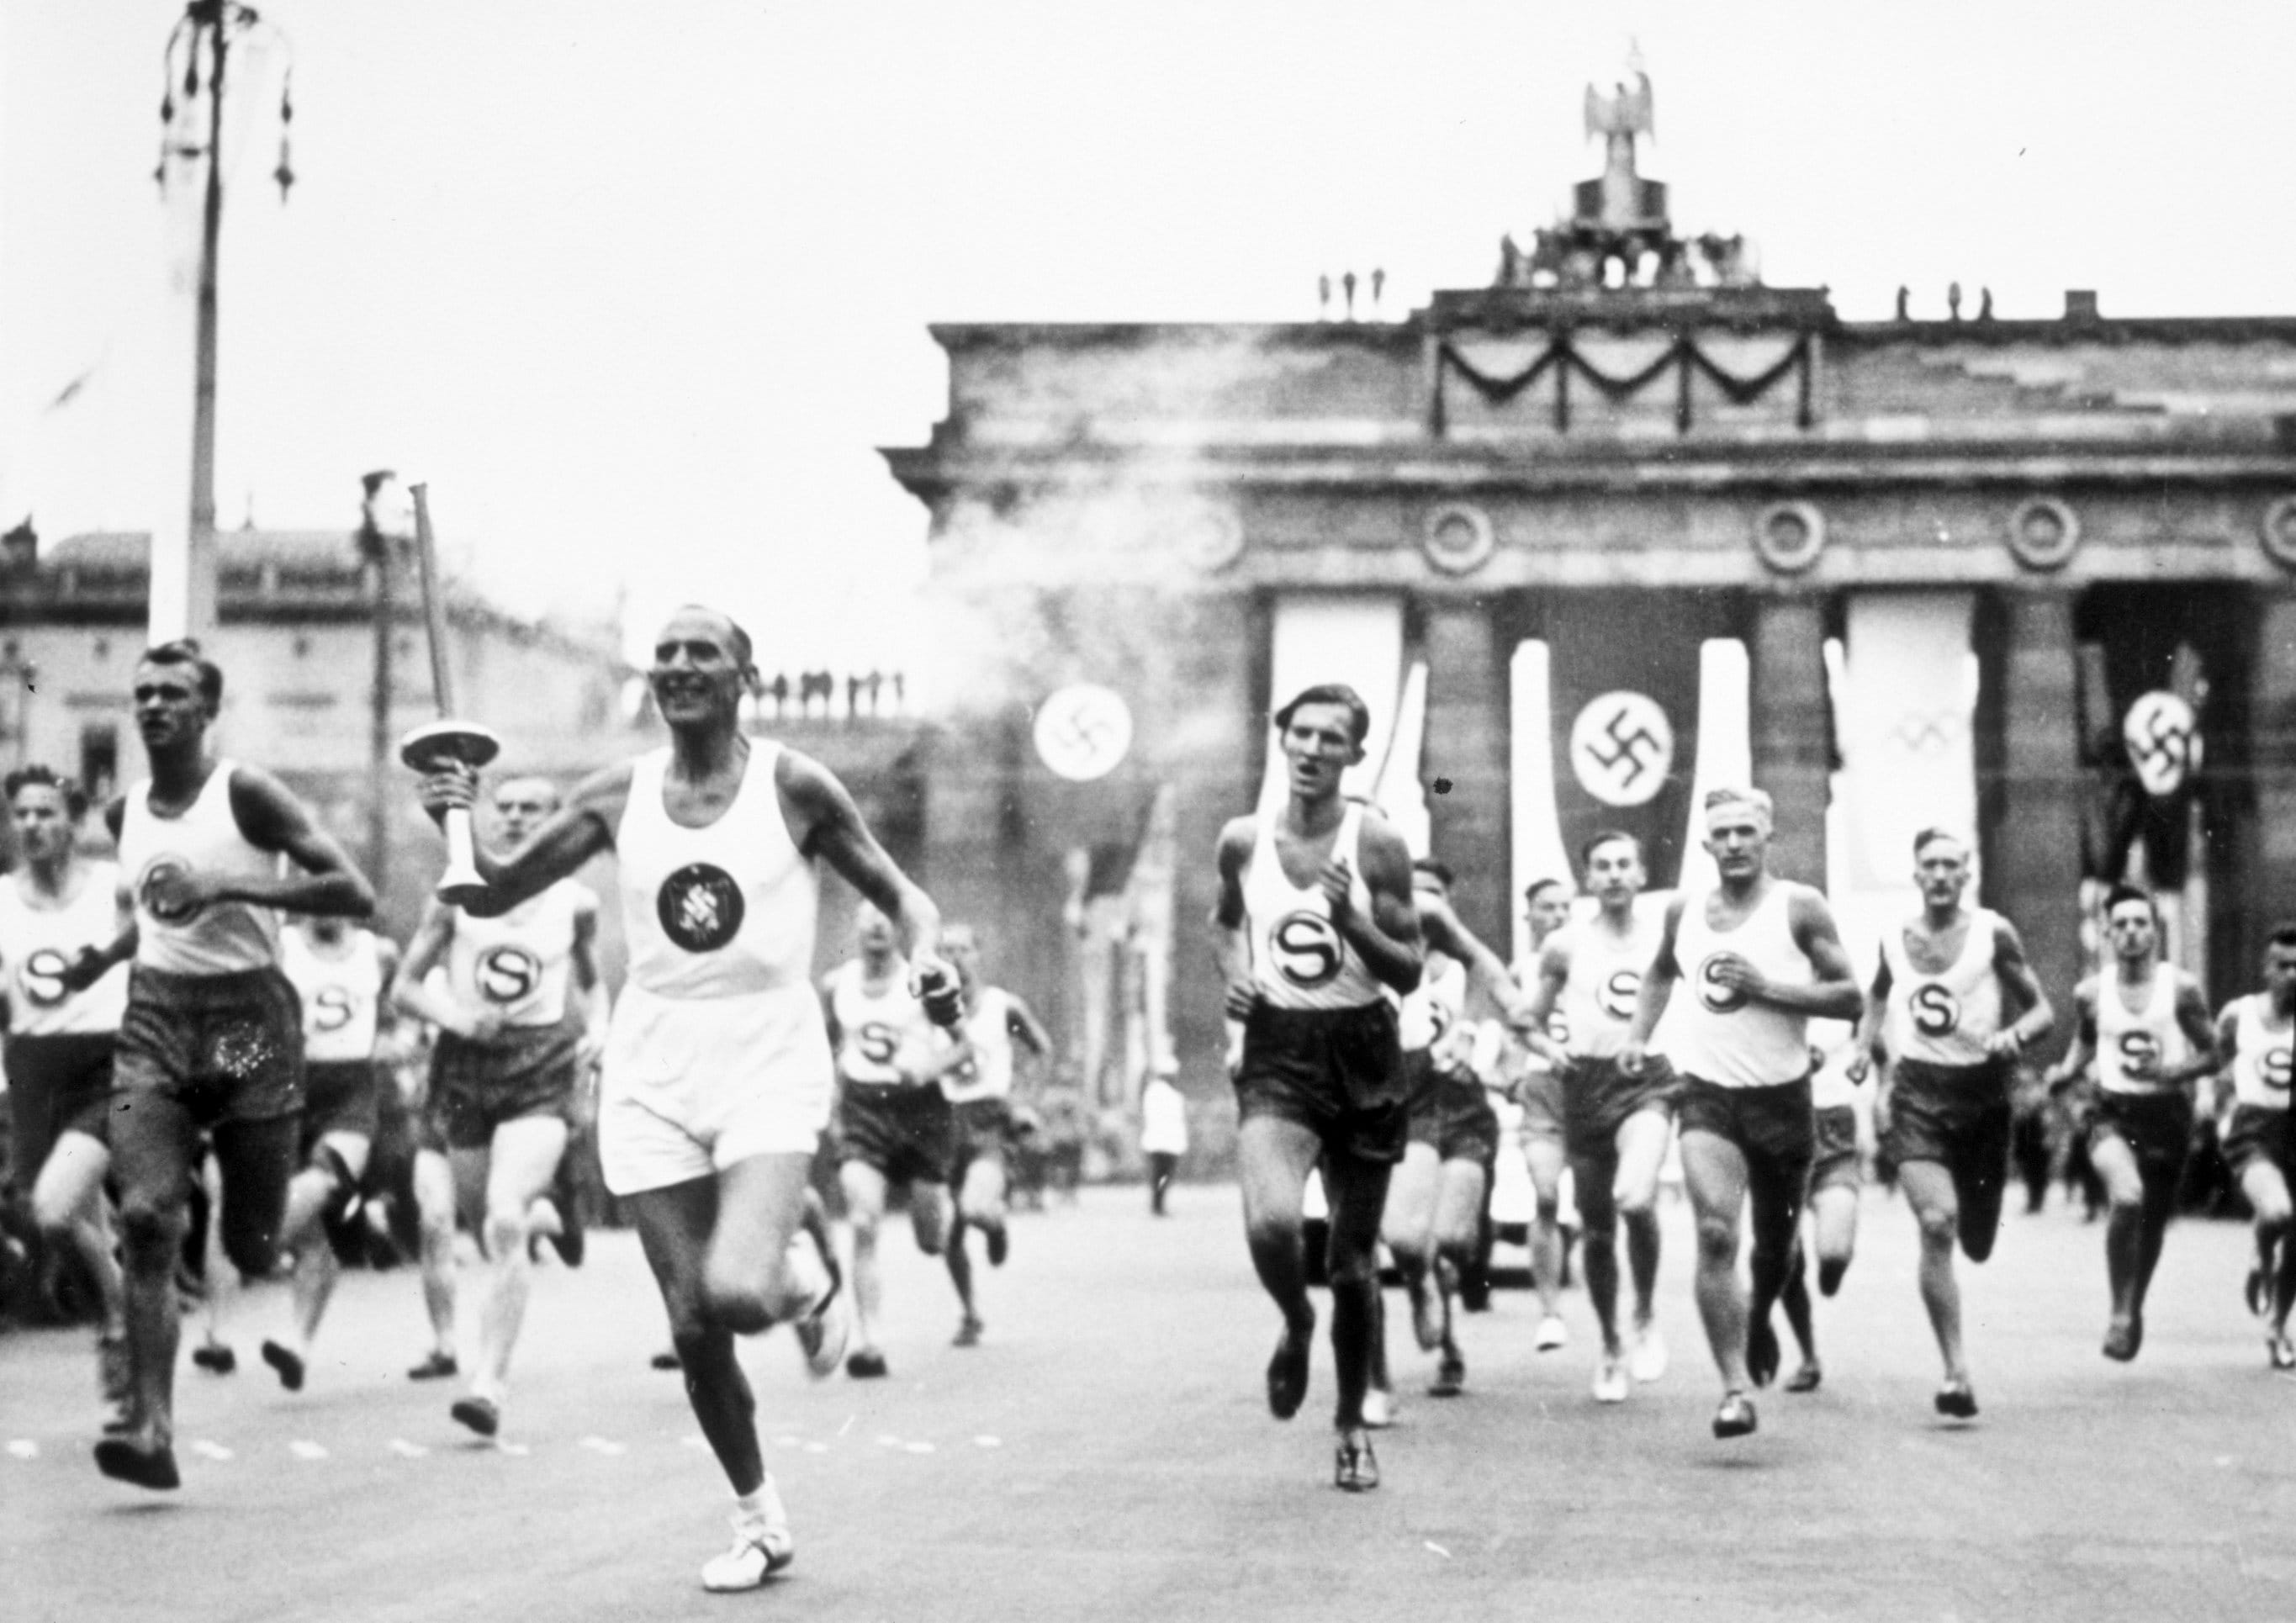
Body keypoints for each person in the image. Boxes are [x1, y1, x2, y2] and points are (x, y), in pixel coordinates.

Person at [415, 605, 956, 1590]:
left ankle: (802, 1283)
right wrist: (450, 813)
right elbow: (489, 891)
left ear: (744, 674)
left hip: (768, 1053)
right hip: (653, 1058)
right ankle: (759, 1518)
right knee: (694, 1322)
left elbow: (903, 896)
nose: (678, 665)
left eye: (701, 652)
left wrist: (930, 962)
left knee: (740, 1290)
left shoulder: (792, 784)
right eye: (665, 653)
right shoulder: (617, 794)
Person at [76, 640, 377, 1490]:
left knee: (247, 1243)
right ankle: (152, 1429)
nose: (154, 706)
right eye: (143, 693)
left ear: (207, 709)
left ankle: (304, 1212)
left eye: (173, 692)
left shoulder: (245, 792)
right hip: (159, 1022)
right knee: (144, 1216)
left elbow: (353, 892)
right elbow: (159, 917)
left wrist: (237, 889)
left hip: (250, 1031)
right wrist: (105, 959)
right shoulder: (122, 812)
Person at [1214, 684, 1422, 1493]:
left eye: (1330, 739)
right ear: (1281, 741)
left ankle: (1348, 1428)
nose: (1310, 750)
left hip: (1365, 1050)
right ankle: (1295, 1323)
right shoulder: (1242, 838)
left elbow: (1408, 968)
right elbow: (1224, 918)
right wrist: (1236, 975)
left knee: (1351, 1265)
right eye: (1299, 735)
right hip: (1280, 1050)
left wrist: (1354, 924)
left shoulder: (1378, 845)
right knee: (1270, 1221)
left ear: (1352, 756)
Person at [1621, 787, 1860, 1441]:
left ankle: (1758, 1322)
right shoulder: (1685, 910)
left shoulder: (1800, 907)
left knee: (1775, 1253)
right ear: (1704, 842)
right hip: (1708, 1097)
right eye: (1720, 833)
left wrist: (1768, 990)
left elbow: (1851, 998)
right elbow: (1658, 974)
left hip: (1782, 1102)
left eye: (1744, 833)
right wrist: (1639, 1037)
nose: (1732, 844)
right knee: (1718, 1234)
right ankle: (1732, 1389)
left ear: (1767, 837)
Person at [392, 775, 606, 1432]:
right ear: (486, 819)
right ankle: (553, 1215)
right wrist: (455, 1017)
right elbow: (403, 988)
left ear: (553, 824)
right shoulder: (458, 895)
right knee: (489, 1221)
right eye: (504, 808)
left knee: (504, 1221)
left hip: (538, 1063)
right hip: (464, 1067)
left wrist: (599, 1032)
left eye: (531, 810)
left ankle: (487, 1384)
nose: (514, 819)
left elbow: (595, 988)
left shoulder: (575, 903)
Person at [1850, 829, 2052, 1415]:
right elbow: (1877, 996)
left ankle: (1974, 1238)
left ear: (1968, 874)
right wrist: (1865, 1047)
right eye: (1929, 866)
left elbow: (2043, 1009)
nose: (1940, 875)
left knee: (1978, 1241)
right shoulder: (1894, 935)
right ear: (1916, 874)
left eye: (1951, 866)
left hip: (1984, 1098)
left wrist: (2014, 1034)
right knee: (1937, 1223)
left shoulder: (1993, 933)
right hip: (1918, 1096)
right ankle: (1956, 1371)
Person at [1522, 830, 1675, 1404]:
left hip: (1645, 1082)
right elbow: (1529, 1019)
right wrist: (1548, 1048)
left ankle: (1645, 1314)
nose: (1613, 875)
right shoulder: (1564, 945)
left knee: (1635, 1198)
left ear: (1640, 875)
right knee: (1597, 1231)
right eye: (1602, 866)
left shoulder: (1665, 939)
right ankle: (1611, 1345)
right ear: (1588, 879)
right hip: (1583, 1086)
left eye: (1623, 865)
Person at [0, 767, 132, 1419]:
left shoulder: (113, 889)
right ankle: (124, 1319)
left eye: (46, 813)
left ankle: (116, 1322)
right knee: (66, 1215)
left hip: (104, 1062)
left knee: (57, 1211)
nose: (31, 825)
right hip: (33, 1067)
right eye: (21, 814)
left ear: (74, 823)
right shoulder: (0, 901)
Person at [2043, 885, 2217, 1361]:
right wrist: (2065, 1071)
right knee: (2127, 1197)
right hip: (2111, 1110)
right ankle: (2119, 1310)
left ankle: (2133, 1306)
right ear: (2107, 933)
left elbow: (2214, 1053)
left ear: (2154, 930)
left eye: (2140, 923)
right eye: (2121, 924)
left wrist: (2173, 1072)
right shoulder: (2091, 993)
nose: (2131, 932)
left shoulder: (2180, 989)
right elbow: (2084, 1042)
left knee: (2153, 1223)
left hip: (2166, 1116)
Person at [1382, 857, 1529, 1401]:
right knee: (1406, 1239)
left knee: (1452, 1239)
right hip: (1408, 1108)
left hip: (1465, 1111)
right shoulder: (1385, 963)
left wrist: (1475, 1040)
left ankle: (1446, 1330)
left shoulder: (1466, 968)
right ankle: (1434, 1314)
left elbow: (1500, 1027)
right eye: (1413, 892)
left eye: (1433, 893)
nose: (1422, 904)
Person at [260, 914, 401, 1391]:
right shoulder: (282, 945)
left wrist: (386, 1037)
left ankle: (264, 1245)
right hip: (289, 1087)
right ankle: (299, 1342)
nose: (328, 907)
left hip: (351, 1089)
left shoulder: (377, 952)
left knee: (326, 1177)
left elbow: (390, 1007)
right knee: (316, 1232)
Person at [912, 923, 1052, 1345]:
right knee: (949, 1231)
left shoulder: (1002, 1005)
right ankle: (970, 1313)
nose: (955, 958)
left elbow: (1041, 1048)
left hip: (991, 1118)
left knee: (973, 1208)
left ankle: (995, 1226)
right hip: (944, 1120)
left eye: (963, 949)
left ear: (978, 955)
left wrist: (1027, 1099)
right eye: (947, 951)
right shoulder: (927, 1011)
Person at [823, 900, 948, 1377]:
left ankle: (943, 1218)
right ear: (855, 930)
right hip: (864, 1112)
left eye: (886, 919)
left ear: (899, 931)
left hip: (920, 1112)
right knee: (862, 1222)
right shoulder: (836, 986)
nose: (877, 926)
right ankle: (869, 1340)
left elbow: (961, 1044)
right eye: (867, 919)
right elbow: (825, 1045)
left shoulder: (922, 981)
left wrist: (927, 1067)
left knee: (931, 1239)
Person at [2212, 924, 2296, 1368]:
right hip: (2254, 1131)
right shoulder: (2238, 1015)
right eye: (2283, 965)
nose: (2293, 974)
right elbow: (2216, 1065)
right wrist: (2224, 1117)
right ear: (2266, 969)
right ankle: (2262, 1257)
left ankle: (2277, 1326)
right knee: (2280, 1211)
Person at [1772, 1028, 1863, 1397]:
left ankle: (1832, 1270)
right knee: (1786, 1258)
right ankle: (1809, 1357)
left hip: (1832, 1136)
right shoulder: (1771, 996)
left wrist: (1885, 1085)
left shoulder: (1842, 1001)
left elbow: (1881, 1048)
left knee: (1834, 1252)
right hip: (1780, 1136)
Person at [1510, 875, 1577, 1352]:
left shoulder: (1586, 958)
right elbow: (1508, 1031)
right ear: (1528, 915)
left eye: (1564, 908)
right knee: (1547, 1195)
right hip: (1541, 1087)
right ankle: (1550, 1313)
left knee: (1601, 1206)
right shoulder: (1519, 971)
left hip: (1590, 1083)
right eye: (1547, 908)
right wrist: (1512, 1078)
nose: (1557, 916)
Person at [1141, 1067, 1188, 1215]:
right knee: (1163, 1174)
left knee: (1159, 1174)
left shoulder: (1153, 1092)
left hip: (1158, 1141)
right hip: (1166, 1141)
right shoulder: (1168, 1095)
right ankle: (1158, 1205)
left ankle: (1157, 1204)